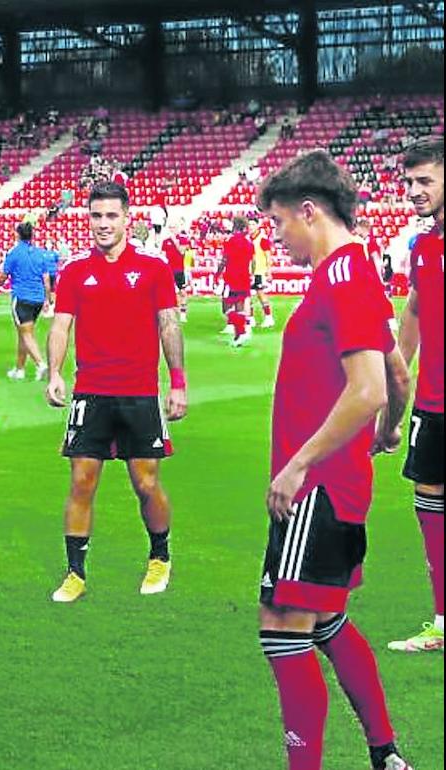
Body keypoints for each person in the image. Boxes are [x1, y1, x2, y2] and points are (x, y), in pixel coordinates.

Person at [255, 149, 413, 770]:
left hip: (315, 489)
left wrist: (298, 464)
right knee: (323, 622)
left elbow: (370, 386)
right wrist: (388, 431)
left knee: (281, 628)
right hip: (339, 485)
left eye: (279, 224)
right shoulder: (354, 276)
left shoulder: (343, 277)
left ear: (310, 211)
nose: (278, 236)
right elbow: (396, 373)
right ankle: (386, 754)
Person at [44, 181, 187, 603]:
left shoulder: (154, 269)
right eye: (96, 216)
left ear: (128, 219)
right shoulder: (74, 272)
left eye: (111, 216)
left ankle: (160, 557)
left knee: (145, 483)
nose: (103, 224)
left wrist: (177, 382)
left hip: (140, 393)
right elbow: (60, 325)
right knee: (81, 482)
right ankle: (75, 573)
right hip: (90, 393)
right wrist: (54, 372)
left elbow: (169, 325)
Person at [387, 136, 444, 654]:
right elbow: (416, 312)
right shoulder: (423, 246)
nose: (413, 191)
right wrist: (395, 380)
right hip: (432, 400)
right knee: (429, 501)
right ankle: (443, 622)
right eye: (410, 182)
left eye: (425, 180)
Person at [0, 219, 57, 381]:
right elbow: (46, 278)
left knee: (26, 334)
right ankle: (19, 369)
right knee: (24, 333)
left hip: (22, 297)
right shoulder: (40, 253)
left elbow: (3, 275)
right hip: (37, 298)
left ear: (17, 235)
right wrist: (47, 298)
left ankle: (40, 364)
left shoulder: (14, 253)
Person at [218, 214, 255, 346]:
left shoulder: (230, 241)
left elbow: (224, 260)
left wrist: (217, 274)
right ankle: (238, 336)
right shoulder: (249, 243)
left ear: (234, 226)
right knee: (239, 307)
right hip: (244, 279)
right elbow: (252, 262)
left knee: (226, 308)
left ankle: (242, 331)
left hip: (231, 279)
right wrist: (252, 275)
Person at [250, 218, 277, 328]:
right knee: (248, 296)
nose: (250, 227)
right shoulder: (249, 238)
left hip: (259, 271)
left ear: (257, 226)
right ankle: (250, 318)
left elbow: (268, 255)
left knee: (260, 294)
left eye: (252, 224)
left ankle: (269, 317)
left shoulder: (262, 239)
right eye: (249, 224)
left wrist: (268, 271)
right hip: (250, 272)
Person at [162, 229, 190, 323]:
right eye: (170, 227)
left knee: (182, 292)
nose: (172, 230)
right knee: (169, 293)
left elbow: (182, 251)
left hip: (179, 270)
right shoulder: (165, 241)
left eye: (174, 227)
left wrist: (175, 241)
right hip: (168, 270)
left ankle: (183, 314)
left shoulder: (183, 239)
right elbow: (163, 255)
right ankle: (171, 313)